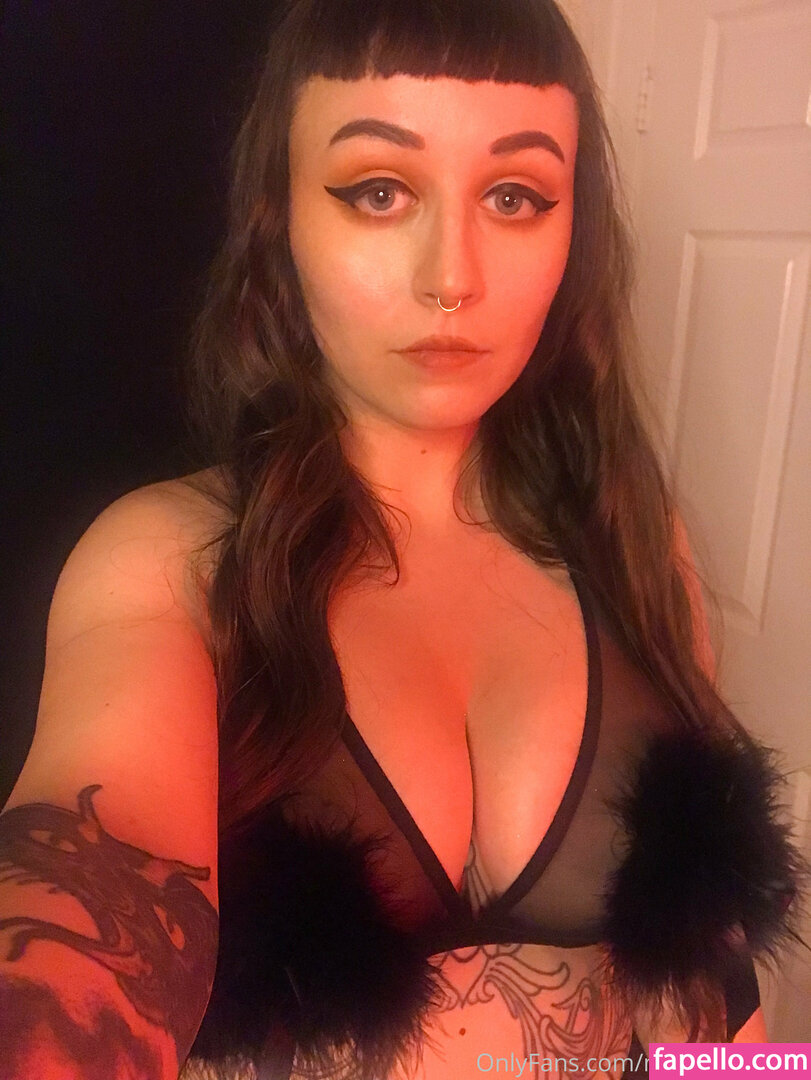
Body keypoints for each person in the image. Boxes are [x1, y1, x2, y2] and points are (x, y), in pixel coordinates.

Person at [0, 1, 803, 1078]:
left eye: (514, 197)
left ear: (572, 231)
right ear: (281, 216)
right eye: (378, 190)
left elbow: (720, 1003)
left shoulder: (633, 544)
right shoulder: (165, 565)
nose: (451, 277)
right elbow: (78, 930)